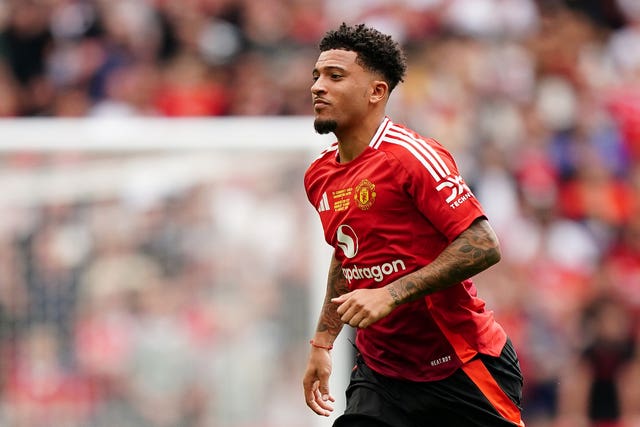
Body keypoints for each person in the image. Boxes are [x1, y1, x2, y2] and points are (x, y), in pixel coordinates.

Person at [301, 23, 525, 427]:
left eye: (335, 76)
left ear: (376, 92)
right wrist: (323, 341)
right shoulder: (319, 175)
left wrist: (391, 294)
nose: (318, 87)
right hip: (381, 374)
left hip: (459, 365)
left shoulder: (412, 156)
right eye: (316, 76)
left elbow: (484, 243)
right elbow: (346, 255)